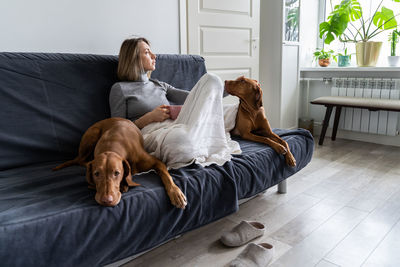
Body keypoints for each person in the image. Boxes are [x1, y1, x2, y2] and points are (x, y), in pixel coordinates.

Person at [109, 37, 240, 169]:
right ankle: (202, 140)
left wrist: (231, 88)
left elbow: (195, 98)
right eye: (147, 52)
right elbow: (117, 130)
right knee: (180, 139)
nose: (154, 56)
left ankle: (199, 141)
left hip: (176, 124)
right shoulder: (120, 88)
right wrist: (149, 118)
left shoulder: (159, 84)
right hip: (151, 134)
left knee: (212, 80)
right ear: (133, 57)